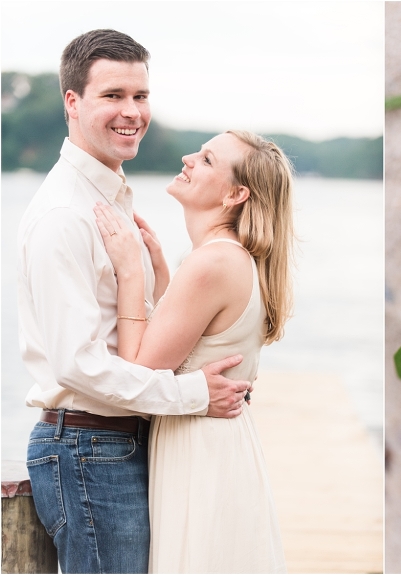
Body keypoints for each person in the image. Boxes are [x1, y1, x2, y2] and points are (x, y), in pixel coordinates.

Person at [19, 29, 252, 574]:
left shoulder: (111, 200)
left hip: (119, 444)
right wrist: (193, 394)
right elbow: (78, 364)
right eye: (113, 95)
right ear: (72, 102)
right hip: (88, 447)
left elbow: (138, 330)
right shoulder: (65, 215)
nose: (132, 112)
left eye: (140, 96)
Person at [93, 130, 292, 573]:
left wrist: (131, 272)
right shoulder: (231, 258)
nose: (187, 158)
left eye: (206, 160)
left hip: (200, 450)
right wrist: (162, 272)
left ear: (235, 195)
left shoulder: (212, 262)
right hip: (217, 443)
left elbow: (139, 371)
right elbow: (193, 339)